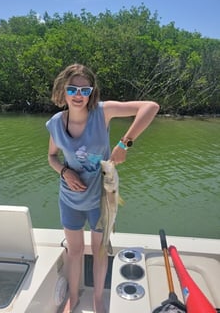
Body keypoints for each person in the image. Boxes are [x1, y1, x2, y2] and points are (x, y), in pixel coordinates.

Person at [46, 64, 159, 313]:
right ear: (62, 90)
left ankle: (98, 298)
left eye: (84, 90)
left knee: (99, 250)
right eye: (72, 88)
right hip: (69, 199)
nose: (78, 95)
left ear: (91, 92)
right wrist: (65, 171)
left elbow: (150, 107)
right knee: (74, 251)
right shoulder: (55, 123)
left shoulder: (102, 112)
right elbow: (52, 157)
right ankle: (74, 296)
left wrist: (124, 143)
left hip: (102, 199)